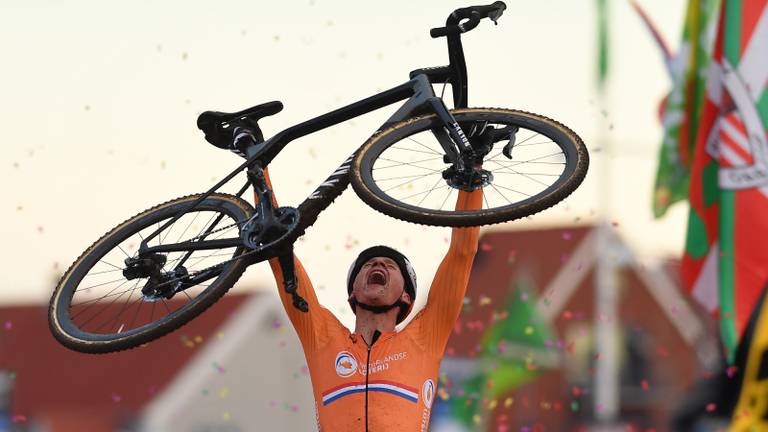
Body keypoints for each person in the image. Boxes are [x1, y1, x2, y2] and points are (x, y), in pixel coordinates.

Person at [260, 167, 481, 431]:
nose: (378, 263)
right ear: (353, 292)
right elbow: (279, 254)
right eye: (367, 265)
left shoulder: (425, 336)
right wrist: (259, 168)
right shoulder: (323, 338)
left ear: (406, 296)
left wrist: (472, 179)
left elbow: (463, 252)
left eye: (390, 264)